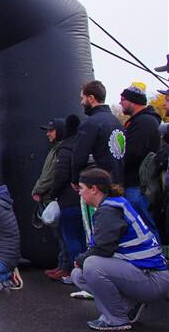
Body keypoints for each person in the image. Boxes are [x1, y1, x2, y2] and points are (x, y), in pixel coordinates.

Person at [71, 168, 169, 330]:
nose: (80, 193)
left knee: (91, 265)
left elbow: (102, 249)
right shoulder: (115, 203)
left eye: (82, 188)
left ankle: (116, 318)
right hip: (149, 274)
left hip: (153, 279)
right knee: (79, 275)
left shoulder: (108, 211)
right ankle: (129, 305)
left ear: (94, 189)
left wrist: (79, 260)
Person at [119, 82, 161, 238]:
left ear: (132, 101)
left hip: (138, 185)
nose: (120, 103)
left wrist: (117, 165)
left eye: (122, 99)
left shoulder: (143, 122)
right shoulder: (142, 121)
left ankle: (156, 260)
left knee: (144, 227)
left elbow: (133, 153)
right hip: (138, 184)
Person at [46, 114, 85, 283]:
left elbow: (61, 174)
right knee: (77, 236)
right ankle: (70, 268)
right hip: (81, 198)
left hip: (68, 200)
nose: (48, 134)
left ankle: (74, 271)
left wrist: (53, 193)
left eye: (51, 130)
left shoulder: (65, 149)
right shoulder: (81, 145)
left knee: (71, 237)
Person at [71, 80, 125, 186]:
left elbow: (79, 157)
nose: (81, 102)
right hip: (119, 182)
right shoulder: (116, 121)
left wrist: (75, 180)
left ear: (91, 98)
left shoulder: (90, 123)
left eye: (82, 98)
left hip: (100, 185)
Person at [33, 118, 67, 279]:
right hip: (49, 196)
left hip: (54, 197)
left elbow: (50, 175)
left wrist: (38, 189)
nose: (48, 134)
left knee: (63, 235)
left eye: (51, 130)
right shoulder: (55, 149)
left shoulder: (60, 150)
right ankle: (61, 265)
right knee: (59, 234)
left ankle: (65, 267)